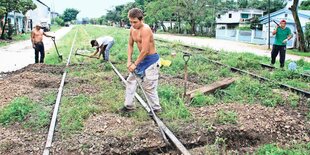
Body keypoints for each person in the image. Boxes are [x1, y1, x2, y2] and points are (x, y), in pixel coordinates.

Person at [122, 8, 161, 113]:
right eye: (130, 21)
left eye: (135, 22)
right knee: (131, 80)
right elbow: (130, 45)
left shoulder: (146, 29)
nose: (133, 24)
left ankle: (156, 109)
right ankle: (128, 106)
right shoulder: (132, 29)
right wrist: (129, 61)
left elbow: (145, 50)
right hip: (142, 59)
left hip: (151, 60)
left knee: (149, 86)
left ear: (141, 19)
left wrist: (135, 64)